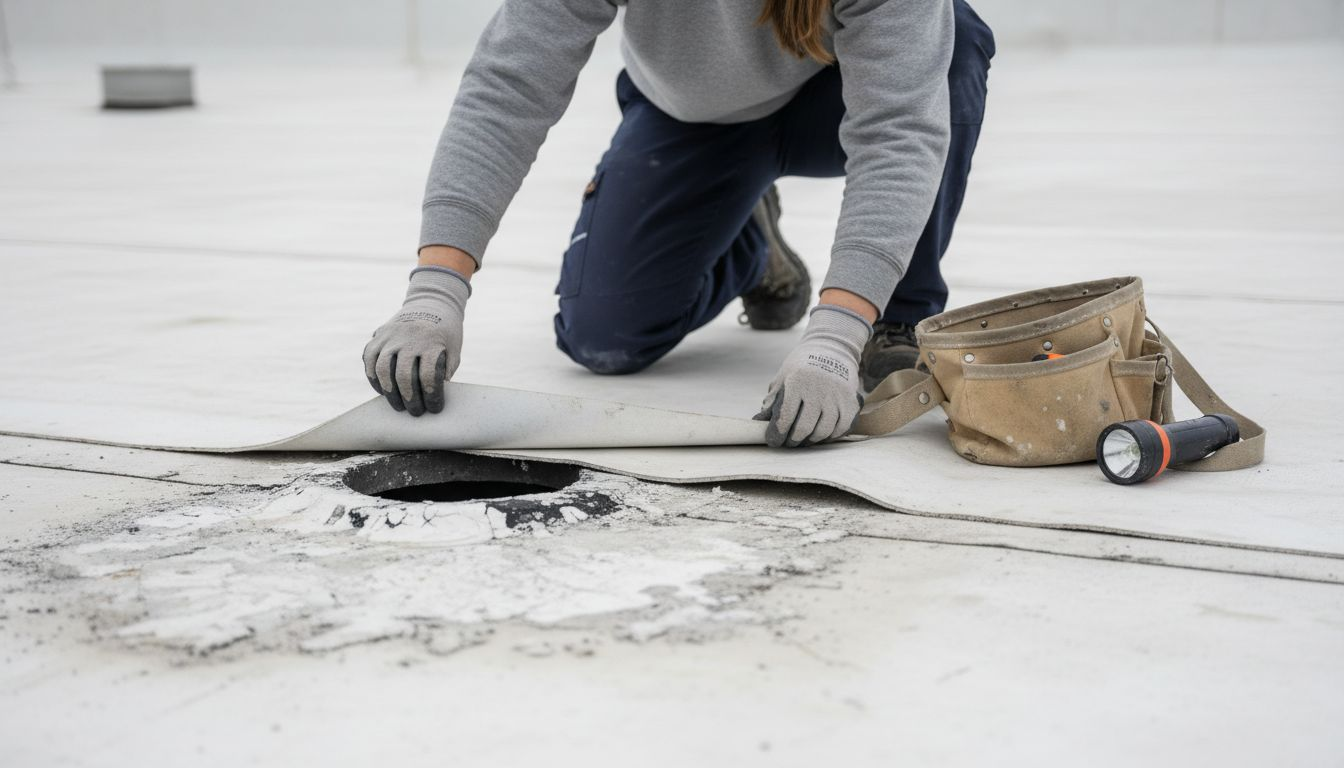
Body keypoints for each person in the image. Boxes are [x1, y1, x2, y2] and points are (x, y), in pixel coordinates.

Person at [363, 0, 995, 448]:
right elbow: (511, 84)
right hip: (696, 118)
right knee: (604, 337)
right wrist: (436, 290)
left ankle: (895, 314)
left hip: (833, 100)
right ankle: (751, 246)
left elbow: (899, 132)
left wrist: (838, 333)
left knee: (953, 48)